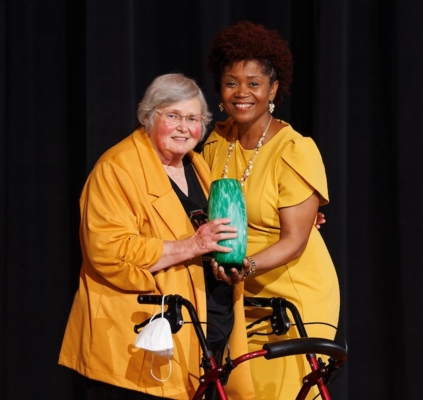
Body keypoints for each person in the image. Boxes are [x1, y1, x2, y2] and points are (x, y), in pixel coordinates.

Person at [58, 73, 257, 399]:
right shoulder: (117, 168)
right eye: (173, 116)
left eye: (193, 118)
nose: (184, 127)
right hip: (141, 339)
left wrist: (228, 262)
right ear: (148, 117)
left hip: (204, 334)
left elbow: (208, 241)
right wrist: (193, 245)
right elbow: (109, 251)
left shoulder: (196, 166)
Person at [202, 21, 340, 399]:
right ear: (220, 89)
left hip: (293, 296)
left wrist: (243, 266)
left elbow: (295, 240)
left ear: (273, 89)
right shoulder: (215, 141)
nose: (242, 93)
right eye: (231, 83)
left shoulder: (295, 149)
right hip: (237, 294)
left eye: (253, 83)